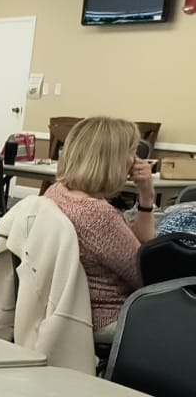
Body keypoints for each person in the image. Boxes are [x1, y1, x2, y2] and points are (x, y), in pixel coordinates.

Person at [43, 115, 158, 339]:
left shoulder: (56, 192)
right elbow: (147, 277)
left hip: (67, 309)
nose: (135, 161)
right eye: (132, 152)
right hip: (107, 317)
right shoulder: (98, 215)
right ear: (113, 159)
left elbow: (138, 244)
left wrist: (146, 195)